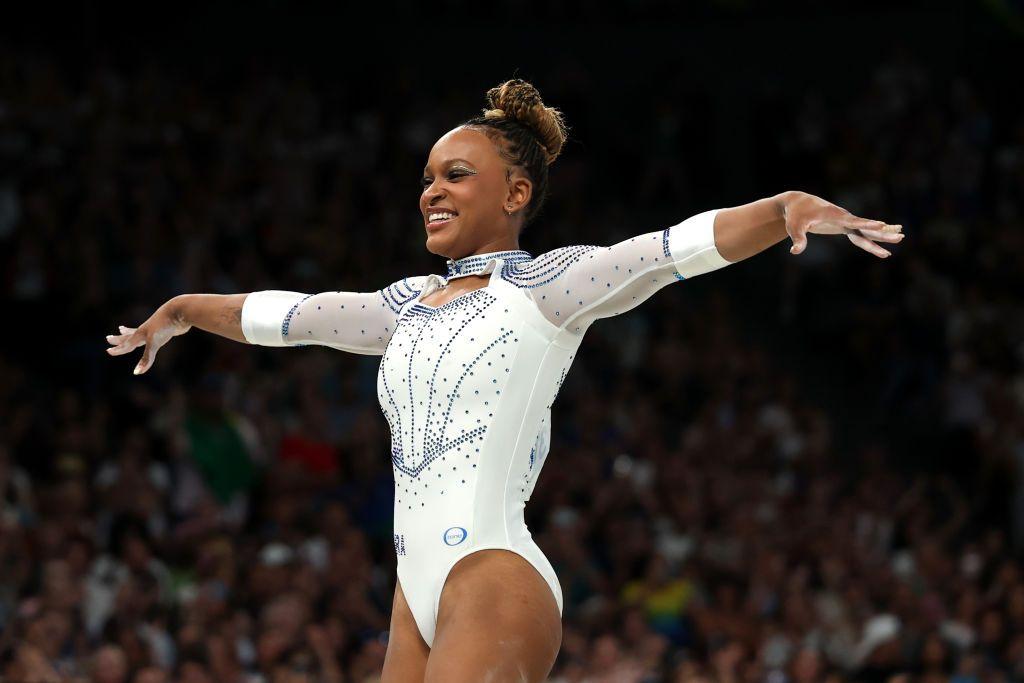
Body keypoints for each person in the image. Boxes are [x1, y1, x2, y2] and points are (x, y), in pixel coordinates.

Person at [106, 78, 904, 681]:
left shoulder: (546, 287)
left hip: (492, 574)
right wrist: (183, 307)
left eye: (455, 175)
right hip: (411, 592)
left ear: (516, 194)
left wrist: (782, 208)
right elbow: (291, 315)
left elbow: (669, 251)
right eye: (427, 177)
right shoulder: (403, 306)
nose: (431, 190)